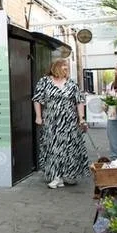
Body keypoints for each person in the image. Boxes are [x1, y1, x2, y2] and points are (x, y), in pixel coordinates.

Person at [32, 58, 89, 189]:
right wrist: (38, 116)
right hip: (51, 121)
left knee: (68, 148)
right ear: (56, 67)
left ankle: (67, 174)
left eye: (67, 67)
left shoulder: (71, 83)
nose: (66, 68)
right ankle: (56, 176)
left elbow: (79, 101)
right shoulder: (44, 81)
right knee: (53, 148)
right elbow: (37, 100)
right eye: (64, 66)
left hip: (69, 121)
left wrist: (81, 118)